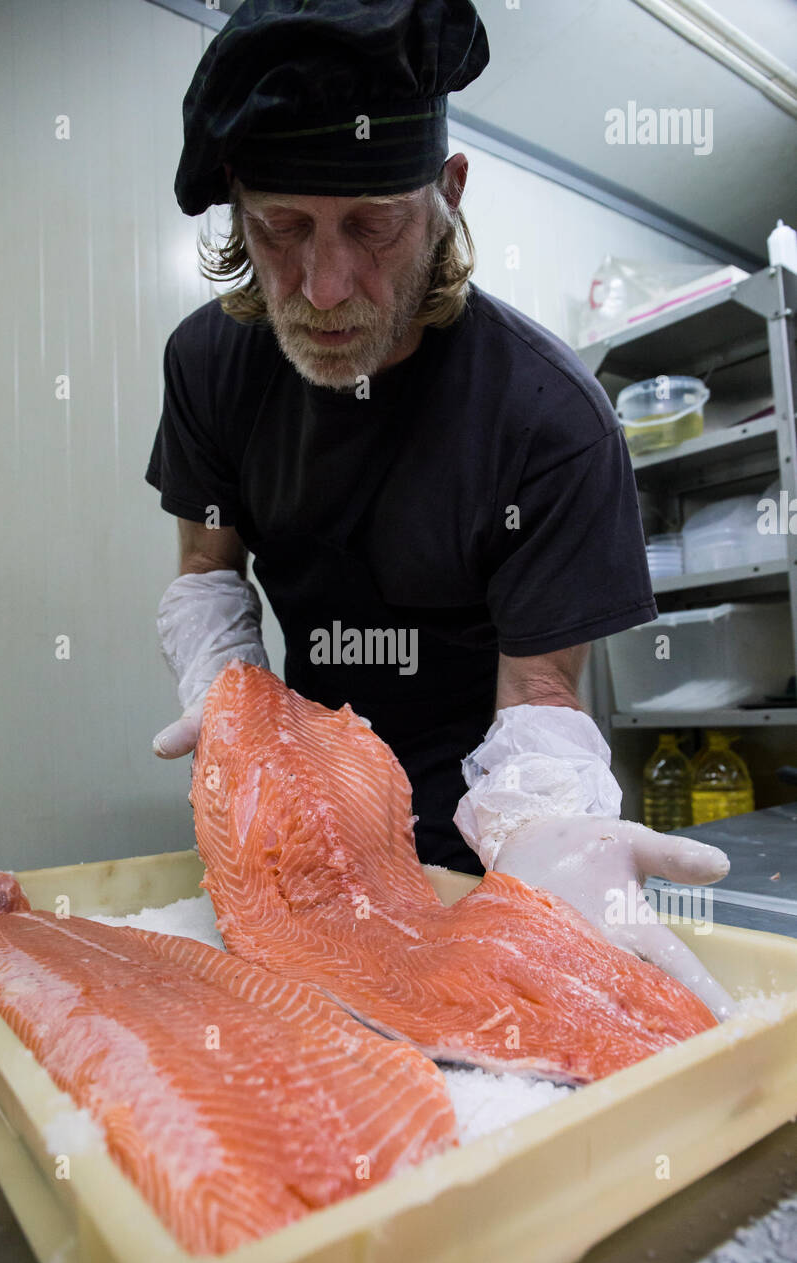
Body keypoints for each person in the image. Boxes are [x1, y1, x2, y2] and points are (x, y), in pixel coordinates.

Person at [146, 0, 732, 1016]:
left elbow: (540, 687)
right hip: (303, 811)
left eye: (371, 227)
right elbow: (206, 568)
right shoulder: (209, 364)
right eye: (281, 229)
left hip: (492, 827)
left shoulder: (548, 419)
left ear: (446, 194)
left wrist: (543, 827)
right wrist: (232, 702)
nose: (323, 288)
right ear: (236, 206)